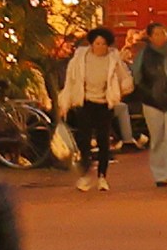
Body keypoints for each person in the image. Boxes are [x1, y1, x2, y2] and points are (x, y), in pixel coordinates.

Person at [57, 26, 133, 188]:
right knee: (84, 140)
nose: (100, 47)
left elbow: (125, 79)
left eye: (103, 44)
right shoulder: (79, 59)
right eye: (97, 44)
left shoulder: (114, 60)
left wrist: (117, 93)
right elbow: (71, 82)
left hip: (104, 104)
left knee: (103, 140)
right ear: (91, 44)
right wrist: (65, 102)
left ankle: (102, 176)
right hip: (85, 102)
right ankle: (85, 174)